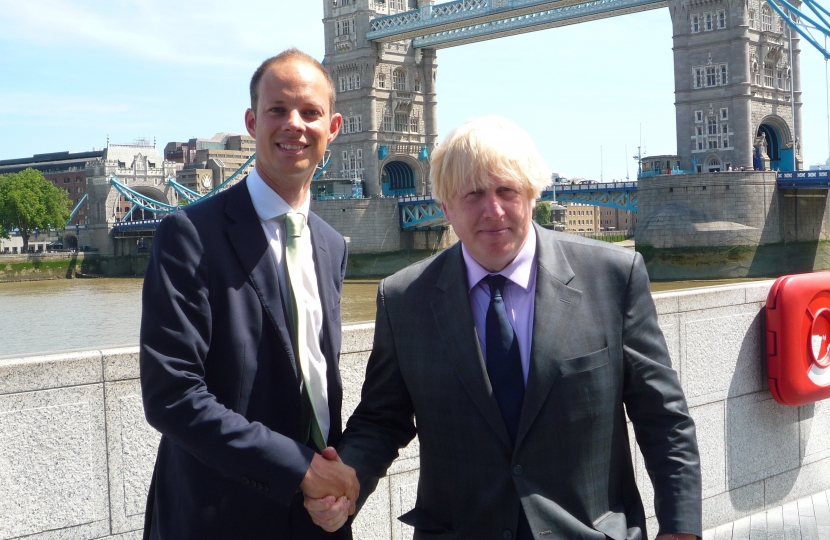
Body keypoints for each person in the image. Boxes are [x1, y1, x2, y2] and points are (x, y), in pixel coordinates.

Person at [310, 116, 702, 539]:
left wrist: (681, 528)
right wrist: (345, 486)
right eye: (473, 194)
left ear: (532, 195)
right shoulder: (405, 298)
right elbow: (382, 420)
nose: (492, 211)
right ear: (445, 208)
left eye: (506, 191)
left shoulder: (612, 276)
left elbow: (662, 417)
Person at [139, 48, 358, 540]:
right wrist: (299, 469)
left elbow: (317, 383)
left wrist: (331, 485)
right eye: (277, 110)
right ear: (252, 120)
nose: (294, 124)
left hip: (319, 519)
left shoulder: (329, 244)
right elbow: (171, 395)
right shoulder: (190, 232)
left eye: (310, 112)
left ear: (334, 127)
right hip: (219, 515)